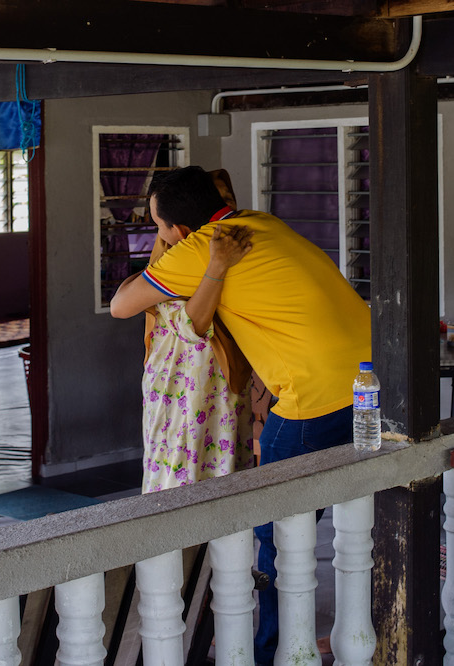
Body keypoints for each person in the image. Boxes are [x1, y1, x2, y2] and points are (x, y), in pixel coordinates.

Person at [111, 165, 371, 664]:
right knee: (354, 510)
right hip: (369, 383)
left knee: (276, 535)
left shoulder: (199, 249)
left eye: (158, 226)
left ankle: (275, 648)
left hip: (312, 398)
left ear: (181, 231)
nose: (157, 236)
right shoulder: (261, 223)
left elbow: (123, 304)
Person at [136, 220, 255, 492]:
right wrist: (217, 265)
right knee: (177, 481)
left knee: (227, 479)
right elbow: (192, 326)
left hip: (224, 387)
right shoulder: (170, 267)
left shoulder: (236, 261)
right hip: (178, 390)